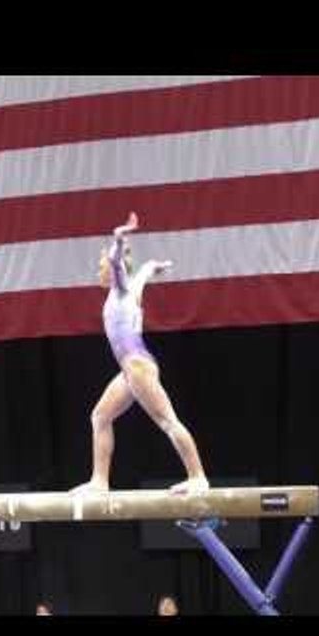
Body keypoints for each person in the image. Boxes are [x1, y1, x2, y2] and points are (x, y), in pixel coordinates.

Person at [71, 212, 210, 496]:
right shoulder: (129, 289)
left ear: (114, 269)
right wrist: (152, 267)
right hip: (130, 368)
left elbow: (116, 261)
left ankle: (198, 477)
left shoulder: (121, 289)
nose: (99, 269)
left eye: (101, 265)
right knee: (100, 417)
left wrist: (120, 237)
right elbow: (143, 272)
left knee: (167, 421)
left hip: (137, 366)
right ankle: (99, 482)